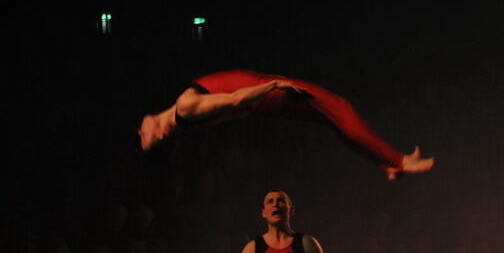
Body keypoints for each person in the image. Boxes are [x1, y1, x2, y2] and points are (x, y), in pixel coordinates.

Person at [137, 69, 434, 180]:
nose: (140, 130)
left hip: (265, 100)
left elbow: (234, 112)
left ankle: (385, 162)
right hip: (269, 93)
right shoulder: (186, 108)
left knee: (332, 120)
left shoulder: (187, 119)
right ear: (162, 133)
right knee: (339, 108)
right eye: (145, 137)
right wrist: (274, 85)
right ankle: (399, 160)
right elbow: (237, 100)